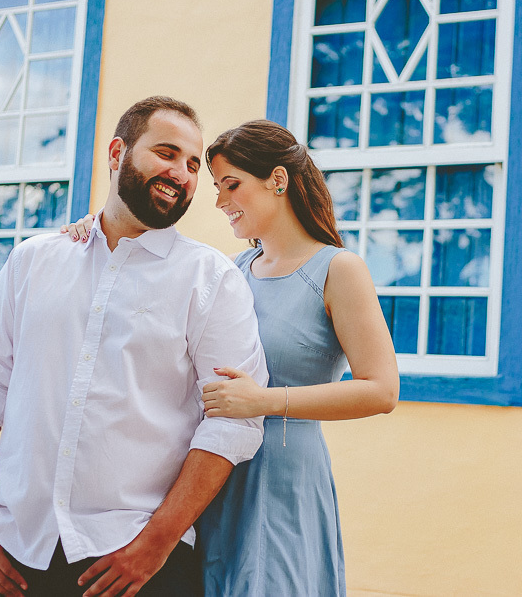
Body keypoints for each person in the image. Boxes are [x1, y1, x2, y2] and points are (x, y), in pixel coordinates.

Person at [0, 96, 269, 597]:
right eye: (166, 153)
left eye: (191, 164)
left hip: (138, 564)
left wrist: (157, 543)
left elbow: (232, 422)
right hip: (18, 555)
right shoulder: (32, 261)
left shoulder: (211, 279)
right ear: (118, 152)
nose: (181, 172)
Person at [63, 119, 399, 596]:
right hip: (210, 479)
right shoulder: (231, 271)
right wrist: (95, 231)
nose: (220, 202)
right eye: (217, 187)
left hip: (282, 481)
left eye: (232, 186)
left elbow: (381, 390)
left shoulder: (338, 269)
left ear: (278, 180)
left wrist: (264, 401)